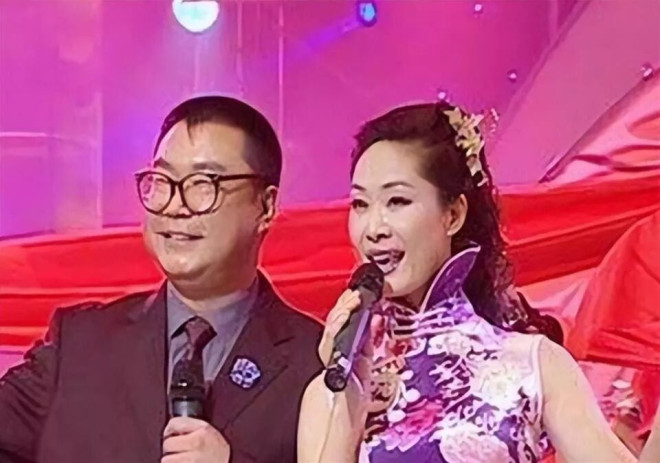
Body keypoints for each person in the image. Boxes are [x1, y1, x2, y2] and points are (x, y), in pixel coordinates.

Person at [297, 101, 637, 462]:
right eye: (360, 204)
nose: (373, 228)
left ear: (453, 214)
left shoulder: (532, 364)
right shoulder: (328, 392)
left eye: (397, 201)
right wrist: (347, 395)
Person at [0, 95, 323, 463]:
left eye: (204, 183)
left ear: (265, 206)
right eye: (163, 180)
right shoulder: (77, 344)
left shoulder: (315, 363)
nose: (175, 205)